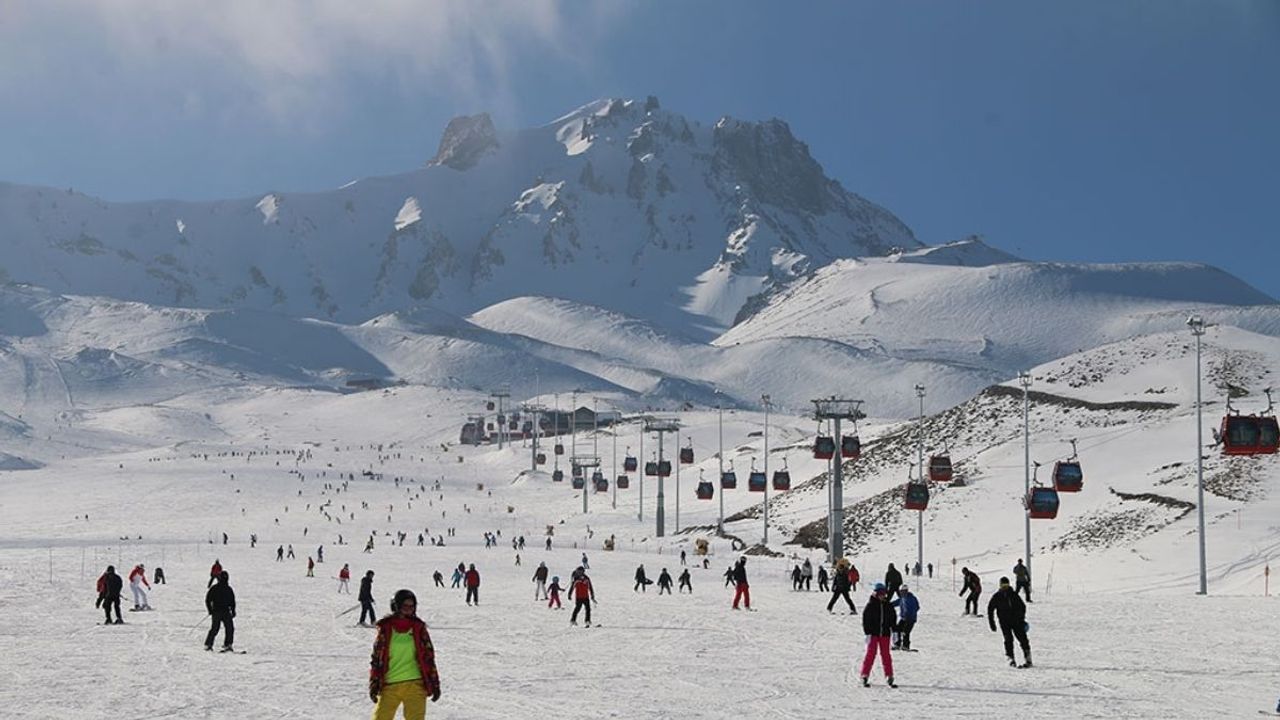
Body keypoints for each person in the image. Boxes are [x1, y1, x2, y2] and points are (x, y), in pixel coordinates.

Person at [369, 589, 442, 720]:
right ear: (396, 606)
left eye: (411, 606)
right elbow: (377, 658)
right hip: (390, 684)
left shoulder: (418, 628)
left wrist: (435, 683)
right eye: (405, 605)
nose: (409, 609)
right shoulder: (386, 628)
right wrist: (374, 683)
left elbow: (428, 657)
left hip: (415, 684)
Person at [988, 577, 1032, 667]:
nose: (1005, 587)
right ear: (1000, 585)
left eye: (1006, 585)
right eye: (1003, 585)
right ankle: (1010, 658)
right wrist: (992, 623)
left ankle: (1028, 658)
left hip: (1016, 621)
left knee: (1022, 638)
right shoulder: (997, 596)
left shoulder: (1013, 595)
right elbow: (990, 609)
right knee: (1008, 639)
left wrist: (1021, 618)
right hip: (1004, 622)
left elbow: (1022, 606)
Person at [860, 583, 897, 687]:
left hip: (885, 634)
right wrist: (867, 633)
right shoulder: (871, 605)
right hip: (873, 634)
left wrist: (895, 631)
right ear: (875, 593)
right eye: (880, 593)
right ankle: (864, 674)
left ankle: (889, 675)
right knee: (871, 654)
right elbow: (866, 620)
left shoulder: (888, 606)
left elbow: (893, 619)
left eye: (884, 593)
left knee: (886, 655)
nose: (882, 596)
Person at [204, 570, 236, 652]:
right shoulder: (215, 588)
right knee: (215, 628)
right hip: (217, 611)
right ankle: (208, 644)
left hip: (225, 611)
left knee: (230, 628)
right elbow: (208, 600)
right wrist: (210, 610)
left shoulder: (228, 589)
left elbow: (232, 601)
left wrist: (233, 611)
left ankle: (228, 644)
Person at [892, 585, 920, 651]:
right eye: (901, 591)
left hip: (910, 619)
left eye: (904, 591)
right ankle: (897, 644)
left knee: (906, 632)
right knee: (897, 629)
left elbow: (916, 607)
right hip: (904, 618)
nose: (902, 593)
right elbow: (896, 603)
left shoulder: (911, 598)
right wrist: (888, 605)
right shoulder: (902, 598)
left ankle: (905, 645)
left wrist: (911, 615)